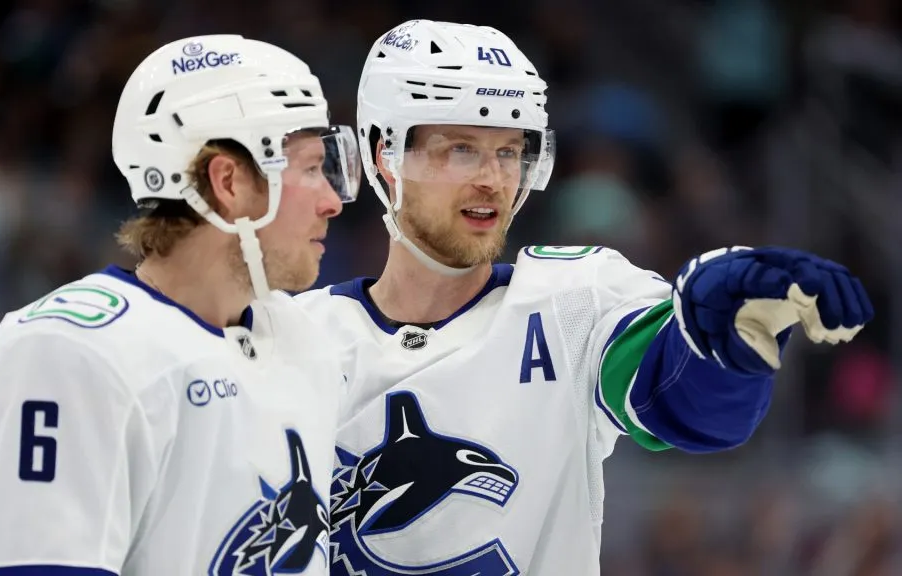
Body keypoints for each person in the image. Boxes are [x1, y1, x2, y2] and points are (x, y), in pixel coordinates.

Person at [295, 20, 874, 575]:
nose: (494, 180)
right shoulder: (292, 338)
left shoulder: (572, 303)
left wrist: (728, 342)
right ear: (383, 155)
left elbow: (696, 410)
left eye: (509, 152)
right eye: (461, 150)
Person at [0, 34, 361, 576]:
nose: (332, 200)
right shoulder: (70, 352)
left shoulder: (304, 341)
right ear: (228, 181)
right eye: (312, 167)